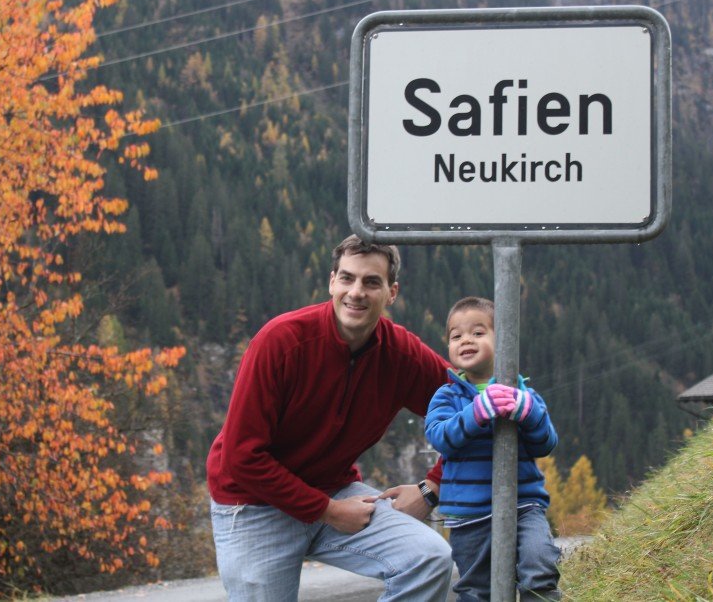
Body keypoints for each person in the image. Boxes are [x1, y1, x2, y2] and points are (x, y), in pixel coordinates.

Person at [206, 235, 454, 601]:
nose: (357, 292)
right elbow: (241, 457)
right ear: (331, 281)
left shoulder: (402, 355)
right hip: (254, 503)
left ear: (392, 292)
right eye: (348, 278)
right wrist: (329, 511)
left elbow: (475, 414)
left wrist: (432, 488)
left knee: (429, 558)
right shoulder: (281, 342)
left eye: (372, 282)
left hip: (334, 488)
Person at [425, 296, 561, 602]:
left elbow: (546, 443)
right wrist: (476, 413)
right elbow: (439, 437)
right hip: (470, 515)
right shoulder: (446, 396)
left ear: (503, 339)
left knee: (540, 567)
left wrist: (529, 412)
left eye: (478, 332)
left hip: (524, 506)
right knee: (476, 590)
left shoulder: (524, 393)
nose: (466, 340)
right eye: (456, 336)